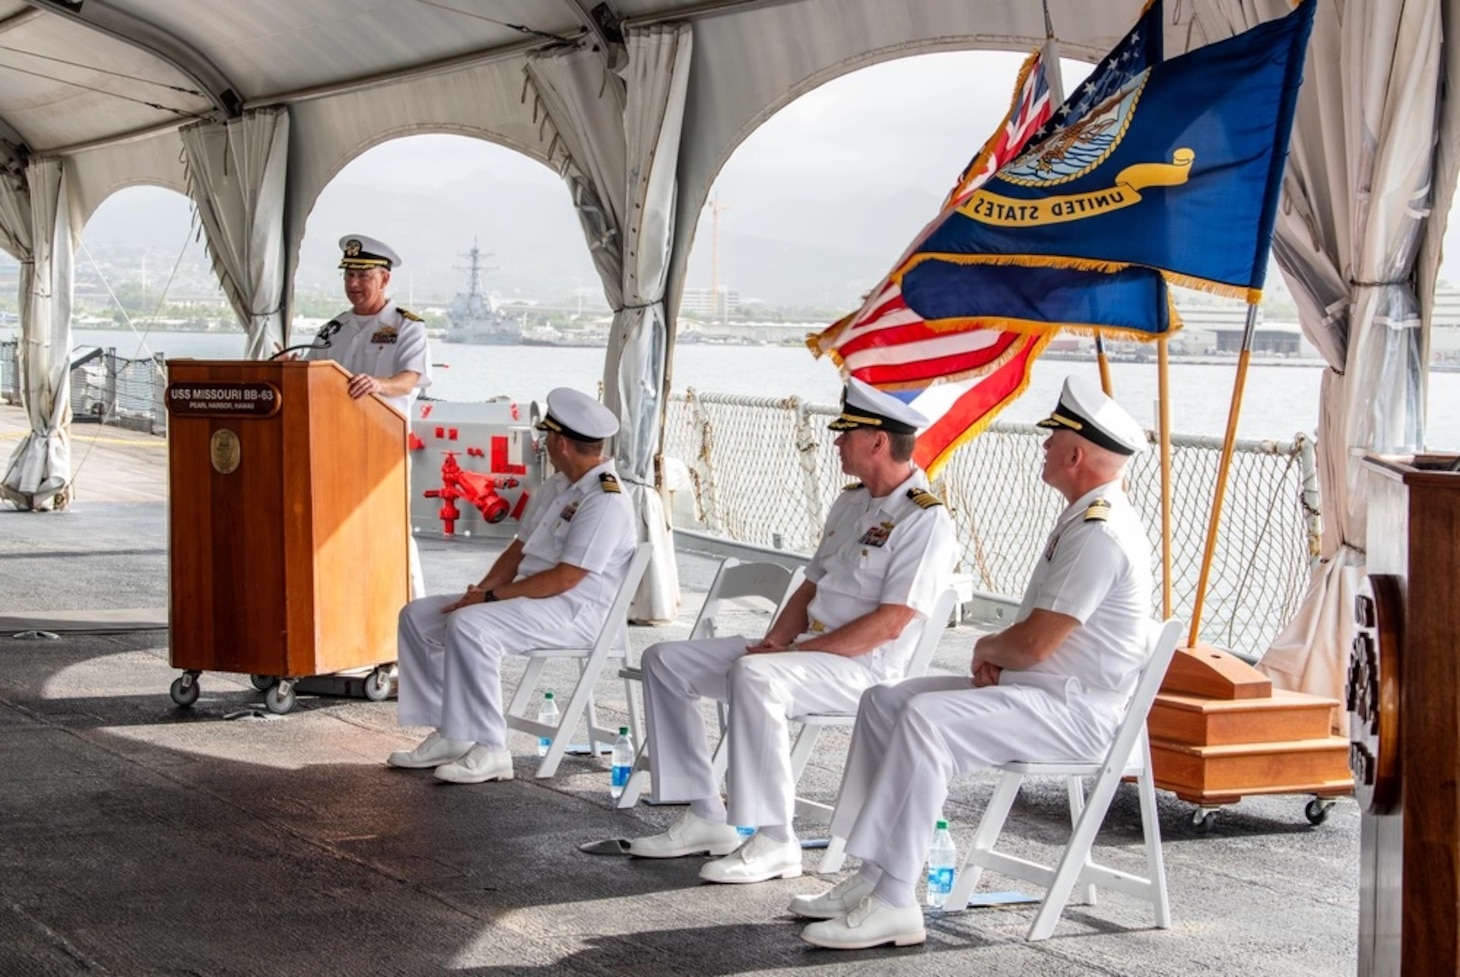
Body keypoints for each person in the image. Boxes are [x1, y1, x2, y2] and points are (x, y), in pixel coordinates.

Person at [791, 375, 1153, 950]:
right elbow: (1039, 643)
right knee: (887, 701)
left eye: (1052, 439)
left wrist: (988, 652)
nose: (1043, 446)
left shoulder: (1099, 532)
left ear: (1077, 454)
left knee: (928, 720)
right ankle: (874, 873)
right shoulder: (1084, 518)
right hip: (1041, 694)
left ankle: (895, 902)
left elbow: (1036, 643)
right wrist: (1002, 665)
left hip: (1079, 713)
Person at [624, 378, 957, 885]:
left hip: (863, 669)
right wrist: (779, 640)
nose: (836, 441)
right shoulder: (851, 503)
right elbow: (812, 583)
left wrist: (788, 654)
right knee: (667, 661)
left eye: (847, 432)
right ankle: (705, 814)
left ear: (878, 441)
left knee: (757, 678)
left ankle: (776, 839)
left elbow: (890, 623)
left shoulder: (924, 521)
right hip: (807, 654)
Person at [388, 387, 637, 784]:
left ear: (559, 443)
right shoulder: (559, 486)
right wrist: (478, 592)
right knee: (419, 617)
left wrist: (489, 599)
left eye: (546, 437)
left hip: (575, 611)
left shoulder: (604, 499)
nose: (543, 443)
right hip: (534, 598)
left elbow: (567, 577)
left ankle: (491, 748)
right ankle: (453, 731)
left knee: (472, 626)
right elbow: (518, 550)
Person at [302, 234, 433, 596]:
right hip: (333, 449)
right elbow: (310, 377)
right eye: (348, 276)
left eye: (363, 277)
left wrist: (379, 384)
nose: (354, 285)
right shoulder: (334, 329)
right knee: (334, 531)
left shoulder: (408, 326)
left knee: (391, 533)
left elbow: (410, 379)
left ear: (385, 279)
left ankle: (409, 617)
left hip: (381, 450)